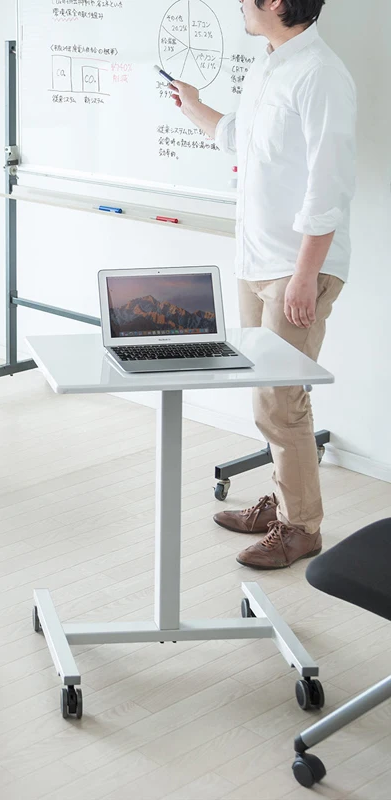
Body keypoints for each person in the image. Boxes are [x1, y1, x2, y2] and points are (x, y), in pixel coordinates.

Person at [167, 0, 357, 568]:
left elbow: (329, 189)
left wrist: (304, 277)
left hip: (298, 268)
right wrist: (194, 108)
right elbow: (240, 142)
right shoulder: (267, 66)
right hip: (256, 262)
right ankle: (282, 503)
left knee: (280, 400)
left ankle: (303, 527)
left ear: (275, 2)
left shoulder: (321, 76)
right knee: (265, 396)